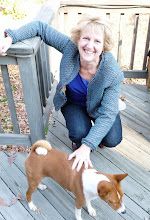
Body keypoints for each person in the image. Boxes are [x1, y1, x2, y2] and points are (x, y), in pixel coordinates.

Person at [0, 14, 126, 172]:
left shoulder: (111, 72)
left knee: (113, 139)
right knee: (80, 133)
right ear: (78, 39)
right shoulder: (70, 48)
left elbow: (107, 114)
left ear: (104, 46)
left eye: (97, 41)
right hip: (73, 103)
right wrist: (11, 38)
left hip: (100, 107)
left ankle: (95, 134)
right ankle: (83, 134)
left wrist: (88, 146)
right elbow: (40, 27)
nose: (89, 45)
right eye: (86, 38)